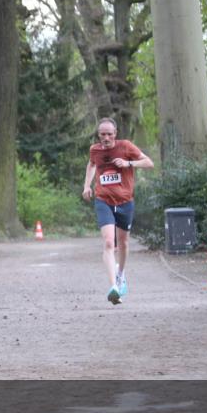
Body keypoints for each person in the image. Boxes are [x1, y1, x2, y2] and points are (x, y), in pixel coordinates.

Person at [82, 117, 154, 304]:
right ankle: (113, 286)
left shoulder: (126, 147)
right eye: (102, 134)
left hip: (125, 202)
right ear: (98, 135)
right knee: (108, 242)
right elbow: (92, 164)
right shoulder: (94, 150)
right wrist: (87, 186)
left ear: (115, 134)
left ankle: (121, 275)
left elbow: (149, 162)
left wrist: (128, 164)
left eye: (109, 134)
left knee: (123, 243)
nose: (105, 138)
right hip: (103, 200)